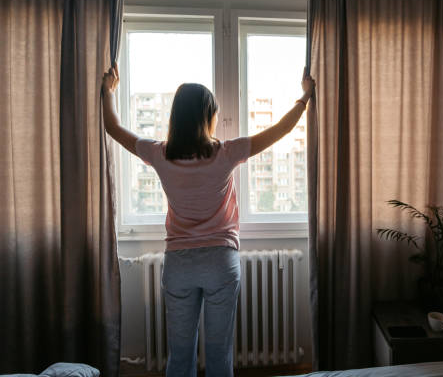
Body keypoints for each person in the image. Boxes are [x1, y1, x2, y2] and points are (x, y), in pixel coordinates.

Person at [101, 64, 315, 377]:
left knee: (180, 355)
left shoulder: (160, 154)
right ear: (207, 116)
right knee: (219, 354)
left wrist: (108, 92)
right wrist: (304, 97)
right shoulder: (226, 153)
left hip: (179, 265)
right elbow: (279, 131)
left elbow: (113, 128)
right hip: (221, 263)